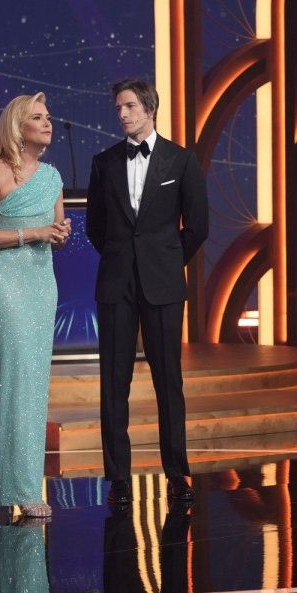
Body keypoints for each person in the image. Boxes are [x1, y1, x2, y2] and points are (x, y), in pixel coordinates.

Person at [85, 79, 209, 506]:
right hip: (115, 284)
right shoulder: (104, 162)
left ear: (150, 109)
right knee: (113, 382)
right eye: (118, 107)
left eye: (129, 106)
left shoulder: (181, 160)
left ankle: (177, 473)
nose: (121, 114)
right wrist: (124, 260)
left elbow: (198, 226)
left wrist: (167, 262)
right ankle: (118, 478)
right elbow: (96, 228)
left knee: (168, 381)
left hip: (163, 284)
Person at [0, 92, 71, 518]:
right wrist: (33, 233)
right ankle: (13, 486)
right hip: (4, 283)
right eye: (37, 117)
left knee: (33, 383)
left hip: (41, 283)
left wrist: (58, 233)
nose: (47, 123)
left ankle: (26, 483)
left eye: (48, 117)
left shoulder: (52, 177)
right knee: (9, 379)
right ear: (17, 126)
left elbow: (56, 228)